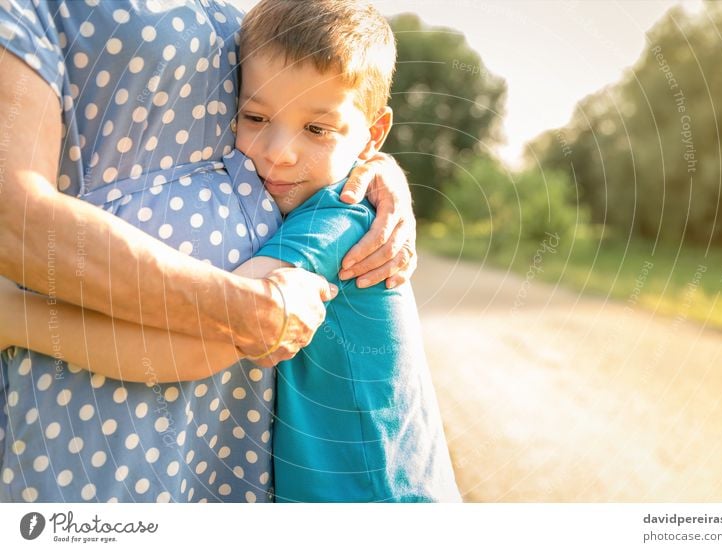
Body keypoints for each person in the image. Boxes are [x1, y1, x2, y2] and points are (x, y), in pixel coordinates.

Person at [2, 0, 460, 503]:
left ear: (374, 134)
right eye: (256, 116)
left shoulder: (336, 221)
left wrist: (14, 320)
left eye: (316, 129)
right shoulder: (324, 196)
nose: (277, 152)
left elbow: (192, 349)